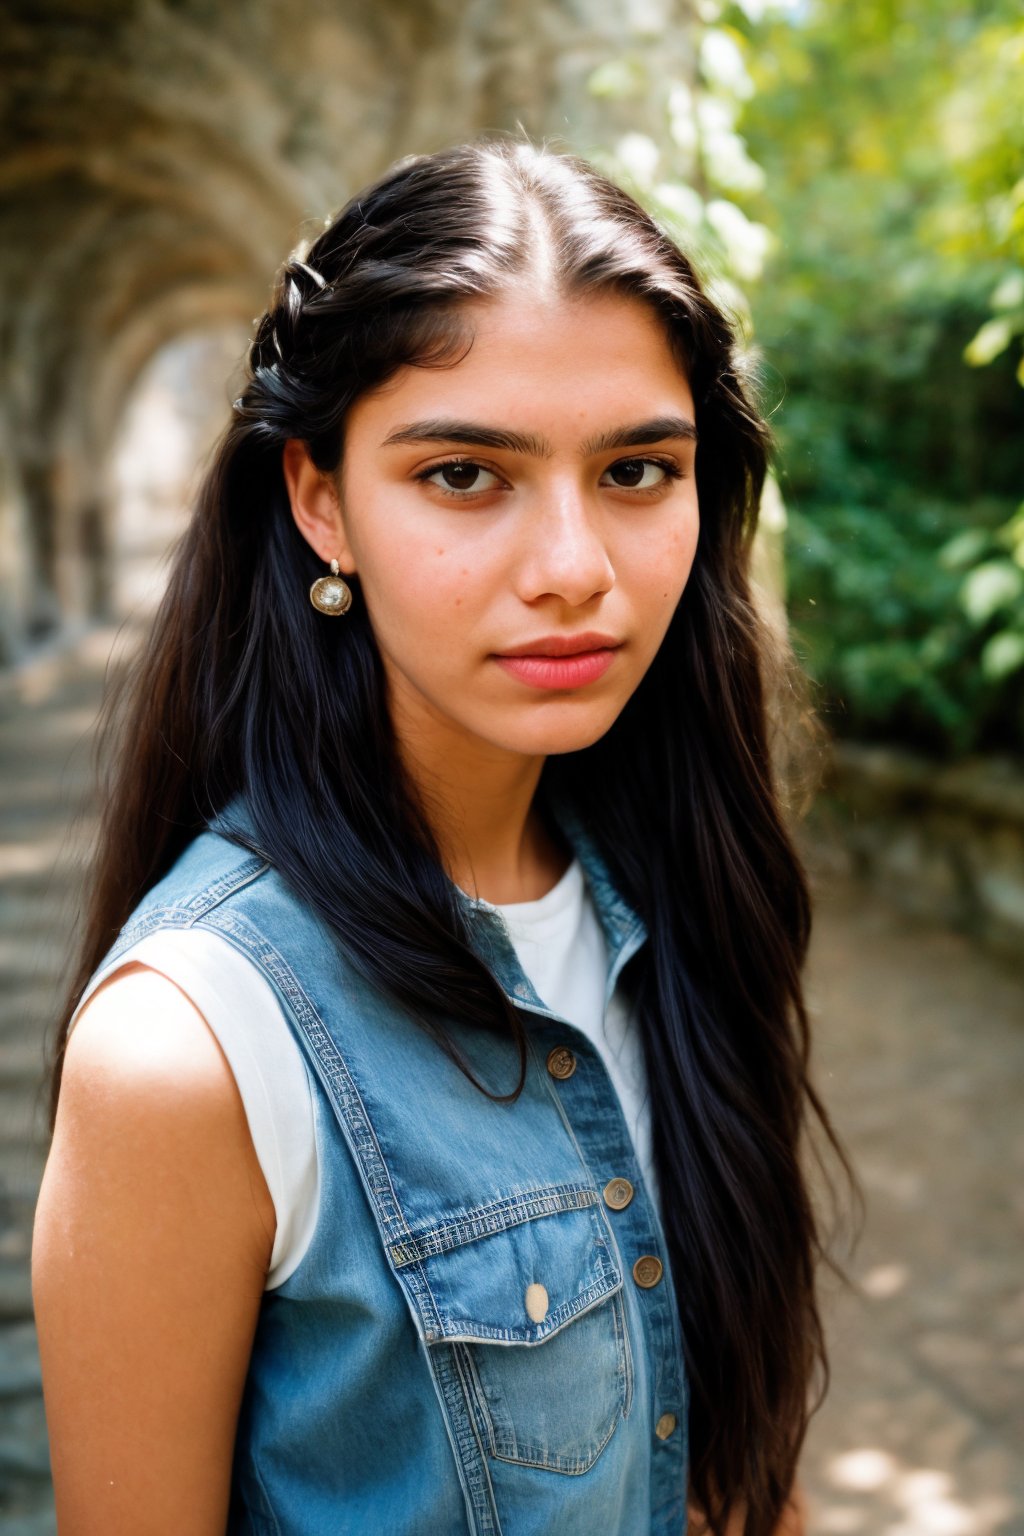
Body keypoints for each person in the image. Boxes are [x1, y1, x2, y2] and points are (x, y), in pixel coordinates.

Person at [32, 137, 851, 1535]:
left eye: (639, 471)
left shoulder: (680, 890)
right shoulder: (188, 1057)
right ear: (320, 501)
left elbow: (735, 1478)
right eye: (467, 475)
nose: (575, 569)